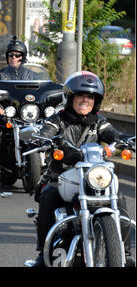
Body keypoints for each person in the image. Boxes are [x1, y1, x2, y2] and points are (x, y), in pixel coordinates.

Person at [28, 71, 135, 267]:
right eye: (81, 96)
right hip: (62, 178)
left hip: (93, 178)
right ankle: (42, 256)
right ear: (71, 98)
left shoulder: (98, 122)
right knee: (48, 197)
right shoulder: (58, 120)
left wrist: (124, 139)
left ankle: (125, 254)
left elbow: (111, 133)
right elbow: (45, 132)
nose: (85, 101)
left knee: (118, 198)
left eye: (90, 97)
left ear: (96, 101)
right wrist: (44, 139)